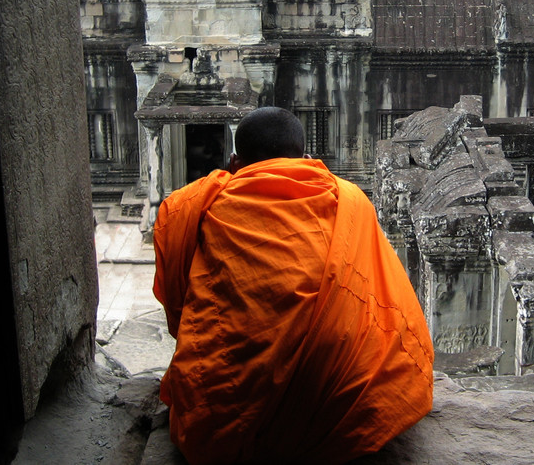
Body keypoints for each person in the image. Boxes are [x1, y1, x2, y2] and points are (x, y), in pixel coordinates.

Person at [154, 107, 434, 464]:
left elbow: (178, 306)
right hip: (342, 400)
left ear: (235, 162)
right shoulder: (349, 200)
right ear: (305, 158)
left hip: (231, 406)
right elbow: (387, 298)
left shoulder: (191, 206)